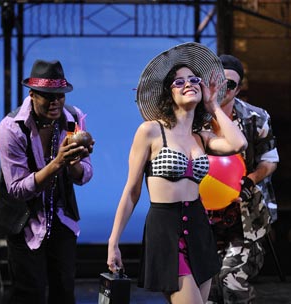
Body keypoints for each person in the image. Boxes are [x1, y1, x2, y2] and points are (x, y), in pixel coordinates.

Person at [106, 42, 248, 304]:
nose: (188, 84)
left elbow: (239, 144)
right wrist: (114, 241)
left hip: (198, 226)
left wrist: (213, 105)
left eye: (194, 80)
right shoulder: (150, 131)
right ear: (168, 93)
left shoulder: (202, 138)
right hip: (165, 228)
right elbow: (132, 191)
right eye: (179, 82)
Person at [0, 59, 94, 304]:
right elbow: (17, 190)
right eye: (48, 96)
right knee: (30, 293)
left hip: (61, 217)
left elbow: (85, 174)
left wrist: (74, 165)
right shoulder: (12, 129)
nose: (55, 102)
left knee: (64, 291)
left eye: (59, 95)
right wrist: (57, 163)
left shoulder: (73, 119)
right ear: (32, 95)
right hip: (23, 220)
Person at [207, 54, 279, 304]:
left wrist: (250, 180)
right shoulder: (193, 118)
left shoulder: (255, 117)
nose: (222, 88)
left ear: (238, 88)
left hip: (246, 217)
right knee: (207, 288)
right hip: (202, 217)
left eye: (230, 84)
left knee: (232, 280)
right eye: (218, 80)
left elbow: (270, 160)